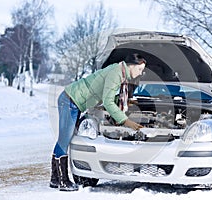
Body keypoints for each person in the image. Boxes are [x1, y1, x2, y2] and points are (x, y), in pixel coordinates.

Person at [50, 53, 146, 191]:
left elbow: (108, 96)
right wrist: (125, 121)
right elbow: (108, 101)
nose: (141, 73)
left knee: (63, 139)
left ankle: (55, 179)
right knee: (64, 141)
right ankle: (63, 181)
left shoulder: (119, 71)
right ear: (132, 66)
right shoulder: (116, 73)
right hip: (70, 100)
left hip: (73, 101)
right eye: (139, 69)